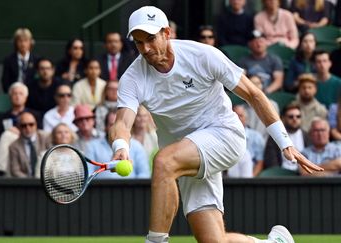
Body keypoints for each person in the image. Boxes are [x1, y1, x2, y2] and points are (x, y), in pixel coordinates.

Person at [110, 6, 322, 243]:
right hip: (186, 155)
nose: (146, 49)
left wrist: (285, 142)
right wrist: (121, 146)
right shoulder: (132, 78)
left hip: (223, 135)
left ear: (167, 33)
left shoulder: (202, 55)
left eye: (151, 39)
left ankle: (155, 240)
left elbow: (253, 94)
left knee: (163, 162)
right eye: (139, 43)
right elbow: (122, 122)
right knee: (213, 241)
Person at [0, 83, 41, 175]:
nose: (17, 96)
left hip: (30, 143)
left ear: (26, 97)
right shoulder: (2, 118)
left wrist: (20, 132)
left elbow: (40, 134)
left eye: (20, 94)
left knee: (8, 135)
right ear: (10, 97)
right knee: (7, 135)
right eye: (15, 94)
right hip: (10, 149)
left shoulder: (35, 115)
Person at [86, 110, 151, 179]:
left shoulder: (137, 146)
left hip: (131, 189)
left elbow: (144, 174)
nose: (116, 130)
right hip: (100, 189)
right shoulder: (92, 146)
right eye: (112, 125)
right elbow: (89, 174)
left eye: (120, 127)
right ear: (105, 127)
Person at [264, 104, 310, 172]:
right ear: (283, 118)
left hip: (303, 175)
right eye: (291, 117)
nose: (295, 119)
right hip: (281, 175)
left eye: (298, 116)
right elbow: (271, 162)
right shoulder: (274, 136)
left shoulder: (307, 136)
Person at [239, 30, 284, 94]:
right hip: (250, 94)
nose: (259, 44)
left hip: (269, 94)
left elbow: (278, 82)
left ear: (266, 43)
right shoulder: (244, 61)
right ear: (250, 44)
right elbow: (241, 80)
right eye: (255, 42)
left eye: (261, 41)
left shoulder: (274, 60)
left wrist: (266, 92)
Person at [9, 112, 51, 178]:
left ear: (36, 125)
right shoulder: (14, 146)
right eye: (24, 125)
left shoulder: (45, 137)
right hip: (27, 183)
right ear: (19, 127)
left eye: (31, 124)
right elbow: (15, 170)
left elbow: (53, 160)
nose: (28, 128)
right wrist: (30, 181)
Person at [1, 28, 38, 93]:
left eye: (26, 41)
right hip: (14, 94)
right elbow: (5, 81)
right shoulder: (9, 60)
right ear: (15, 43)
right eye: (20, 41)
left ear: (30, 42)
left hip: (32, 94)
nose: (23, 44)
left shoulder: (36, 60)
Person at [243, 75, 280, 140]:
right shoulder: (242, 109)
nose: (255, 86)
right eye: (251, 83)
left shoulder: (273, 105)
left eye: (258, 83)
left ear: (262, 85)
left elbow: (276, 128)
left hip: (268, 145)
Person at [233, 104, 266, 176]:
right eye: (235, 116)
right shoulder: (224, 136)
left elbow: (260, 162)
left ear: (246, 119)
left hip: (250, 176)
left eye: (241, 116)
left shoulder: (256, 137)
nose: (238, 118)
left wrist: (250, 181)